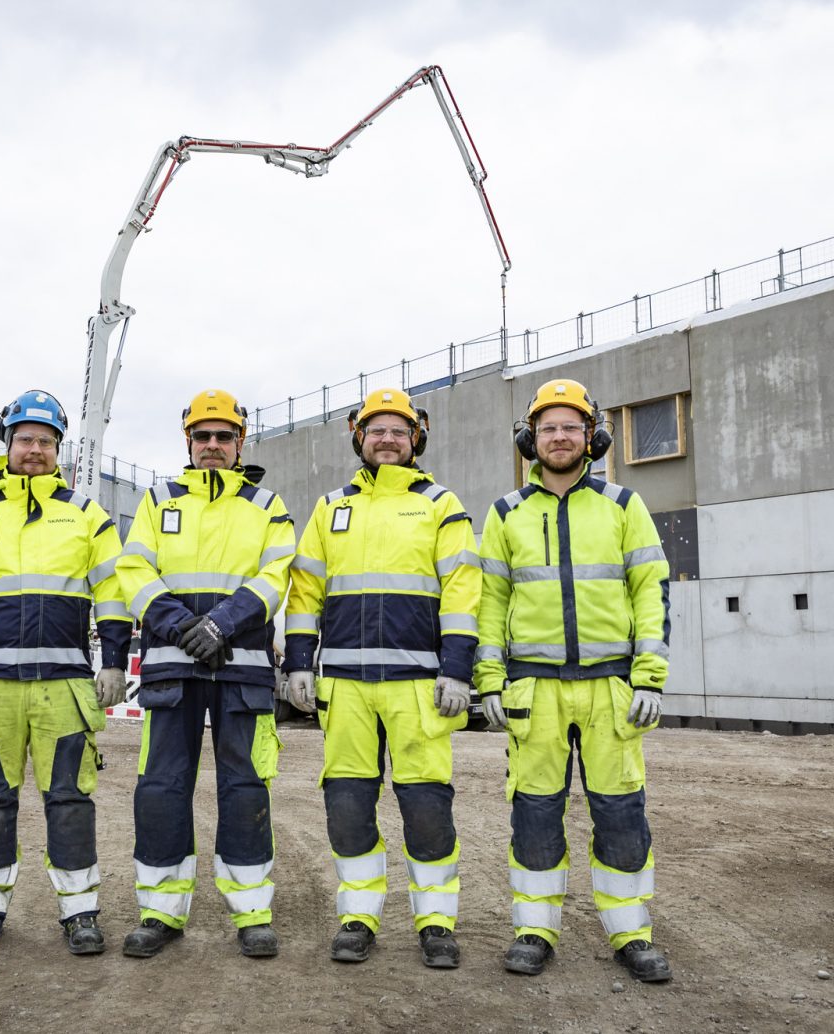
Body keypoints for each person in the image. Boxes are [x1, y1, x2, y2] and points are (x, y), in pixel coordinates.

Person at [474, 378, 673, 983]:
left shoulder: (623, 505)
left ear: (593, 436)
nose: (558, 437)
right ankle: (534, 929)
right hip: (533, 689)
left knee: (621, 812)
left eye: (570, 427)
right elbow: (489, 603)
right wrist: (489, 679)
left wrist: (649, 678)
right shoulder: (505, 513)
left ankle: (631, 932)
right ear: (529, 439)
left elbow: (650, 592)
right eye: (547, 428)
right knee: (535, 812)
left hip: (612, 687)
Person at [0, 390, 132, 958]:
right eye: (24, 440)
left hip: (64, 686)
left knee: (70, 799)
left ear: (58, 450)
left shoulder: (85, 515)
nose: (34, 450)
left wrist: (114, 661)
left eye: (45, 441)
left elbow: (114, 592)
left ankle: (80, 913)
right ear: (7, 444)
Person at [282, 389, 481, 969]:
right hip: (345, 685)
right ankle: (358, 916)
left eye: (398, 430)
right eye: (377, 430)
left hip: (418, 685)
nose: (387, 440)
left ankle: (436, 922)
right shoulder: (329, 509)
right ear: (359, 437)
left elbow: (463, 593)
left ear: (416, 438)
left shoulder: (440, 504)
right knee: (347, 804)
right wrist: (299, 663)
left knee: (426, 806)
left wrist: (457, 670)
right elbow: (305, 593)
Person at [116, 388, 296, 959]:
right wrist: (182, 627)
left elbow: (277, 575)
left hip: (241, 672)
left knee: (245, 789)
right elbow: (134, 569)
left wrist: (220, 624)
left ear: (240, 442)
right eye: (202, 436)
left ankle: (252, 913)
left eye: (223, 436)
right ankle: (160, 913)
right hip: (173, 670)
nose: (212, 444)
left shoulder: (266, 505)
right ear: (188, 442)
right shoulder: (156, 501)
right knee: (162, 788)